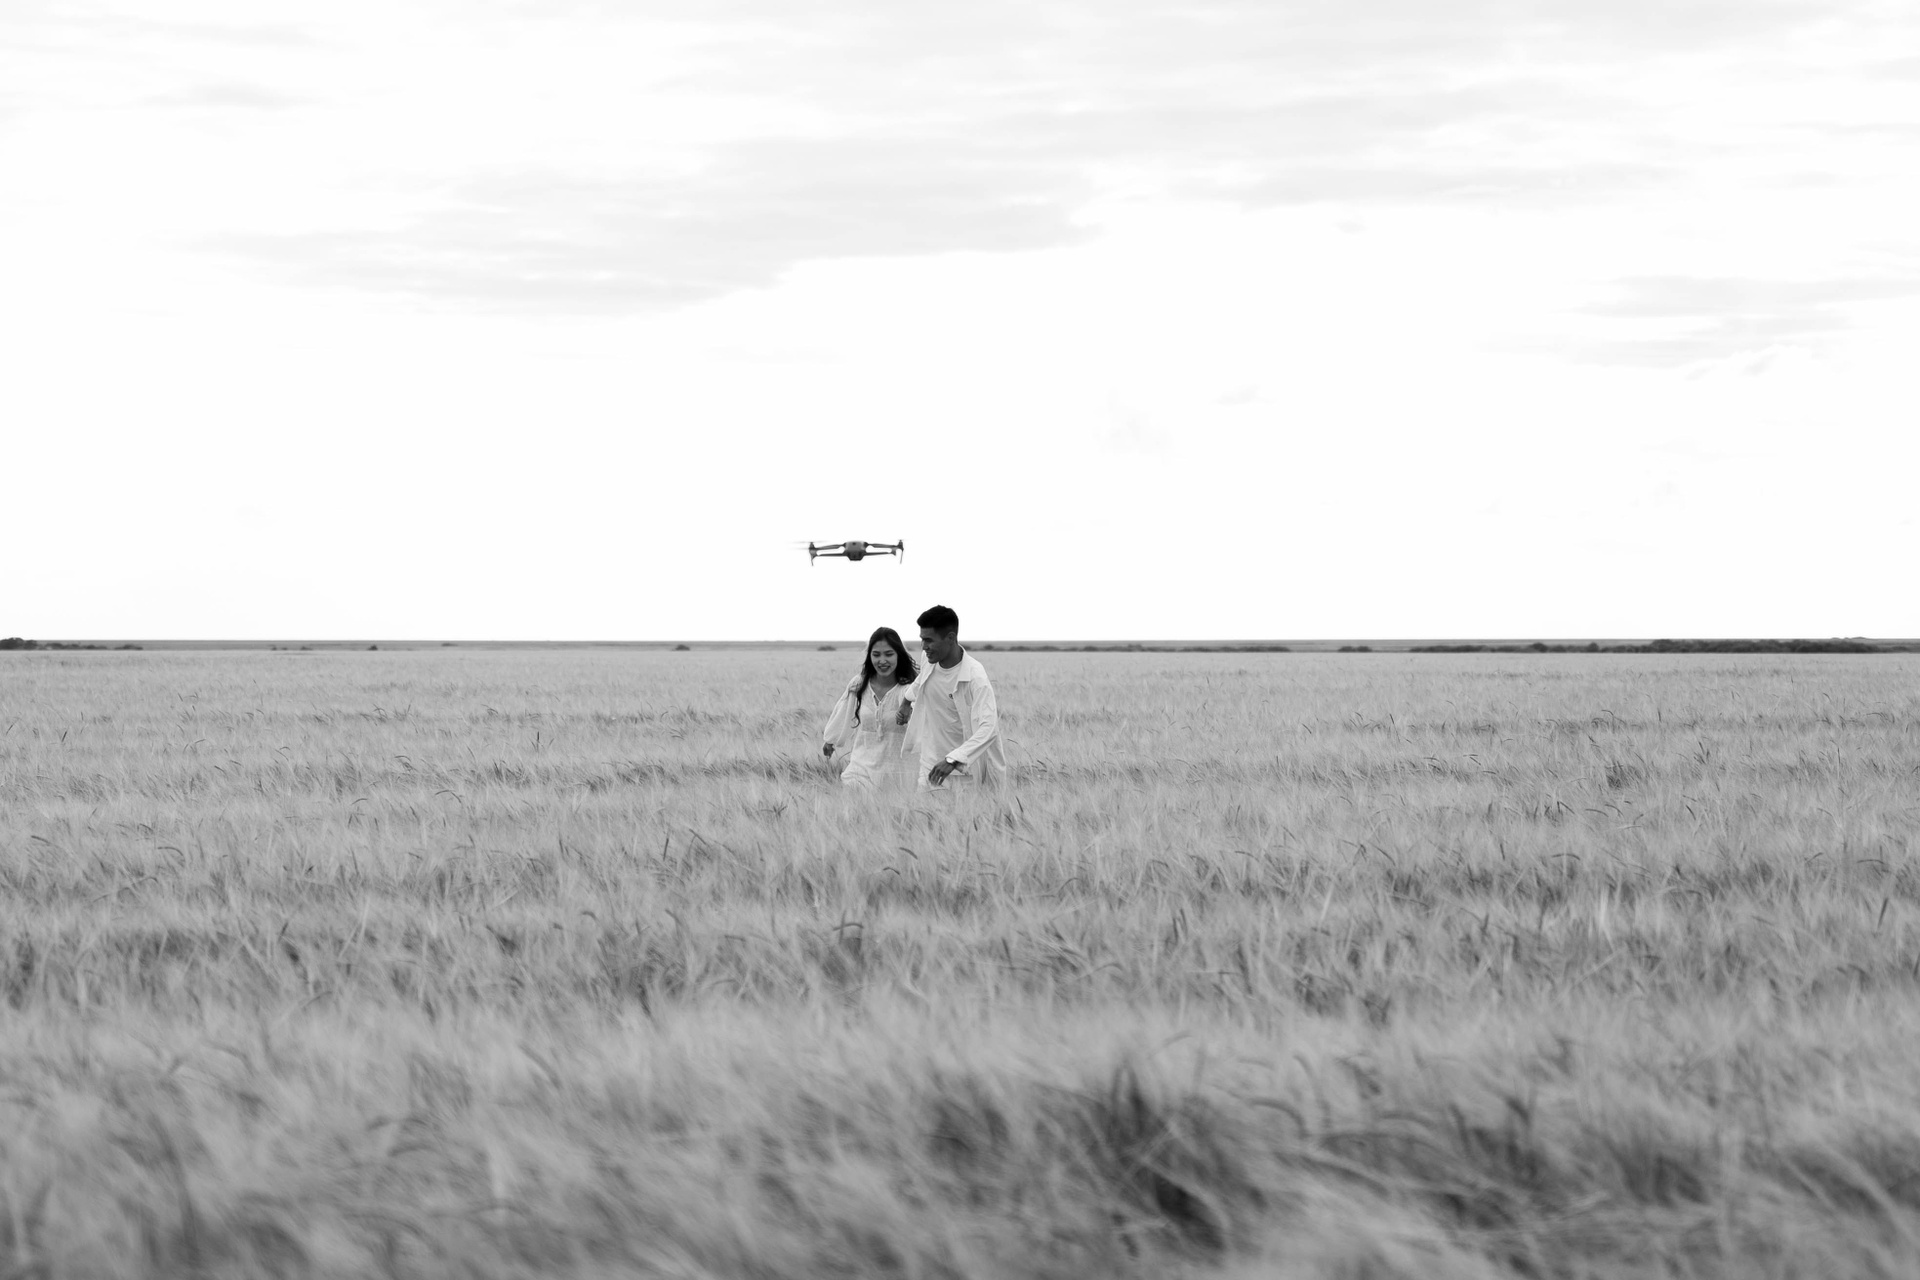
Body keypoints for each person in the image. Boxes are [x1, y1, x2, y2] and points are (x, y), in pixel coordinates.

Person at [896, 604, 1005, 788]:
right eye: (922, 639)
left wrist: (953, 759)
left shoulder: (975, 677)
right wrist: (906, 702)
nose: (924, 646)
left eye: (929, 640)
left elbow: (989, 728)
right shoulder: (929, 659)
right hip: (929, 765)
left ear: (950, 638)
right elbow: (921, 681)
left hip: (963, 774)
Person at [821, 627, 920, 791]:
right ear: (869, 656)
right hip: (861, 769)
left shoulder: (908, 690)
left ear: (899, 655)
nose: (882, 660)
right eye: (876, 654)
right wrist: (831, 739)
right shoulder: (858, 684)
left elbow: (924, 723)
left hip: (899, 773)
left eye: (889, 654)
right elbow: (843, 710)